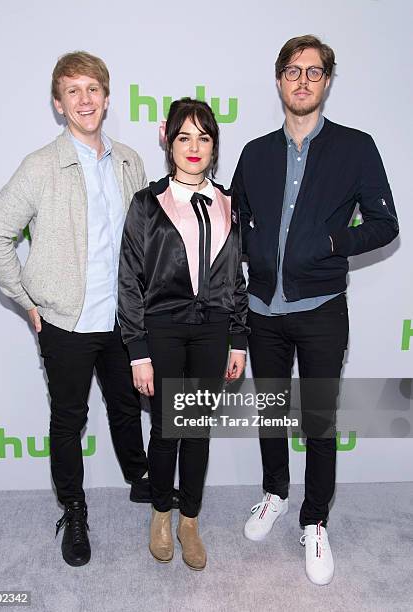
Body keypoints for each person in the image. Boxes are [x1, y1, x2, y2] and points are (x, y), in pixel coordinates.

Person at [0, 51, 155, 567]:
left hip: (123, 321)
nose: (84, 99)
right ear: (58, 104)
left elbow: (143, 238)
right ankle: (74, 511)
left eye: (93, 89)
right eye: (72, 91)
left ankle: (139, 477)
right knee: (68, 420)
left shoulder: (129, 161)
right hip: (67, 323)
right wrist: (28, 302)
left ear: (106, 96)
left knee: (128, 406)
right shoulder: (39, 166)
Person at [232, 35, 398, 585]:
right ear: (278, 79)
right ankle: (275, 493)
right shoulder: (255, 152)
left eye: (314, 72)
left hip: (322, 307)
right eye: (292, 71)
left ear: (327, 81)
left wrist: (330, 243)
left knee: (319, 421)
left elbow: (384, 224)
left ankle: (316, 520)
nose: (302, 81)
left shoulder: (356, 147)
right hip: (262, 310)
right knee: (273, 414)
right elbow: (235, 225)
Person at [118, 98, 248, 570]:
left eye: (204, 137)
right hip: (164, 329)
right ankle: (160, 512)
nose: (194, 148)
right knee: (168, 428)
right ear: (168, 141)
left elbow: (235, 278)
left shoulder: (230, 202)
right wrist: (137, 350)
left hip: (213, 330)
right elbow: (129, 279)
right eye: (184, 137)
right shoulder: (147, 205)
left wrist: (238, 337)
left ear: (215, 145)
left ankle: (189, 519)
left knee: (197, 429)